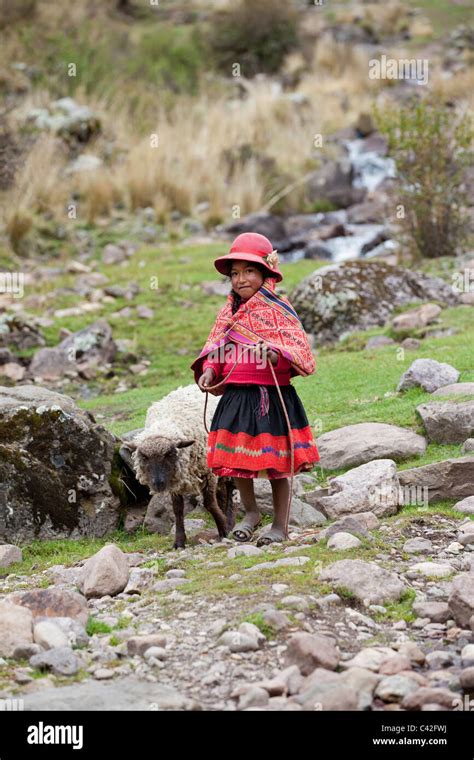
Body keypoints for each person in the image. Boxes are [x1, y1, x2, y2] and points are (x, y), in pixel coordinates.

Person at [190, 232, 320, 546]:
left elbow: (295, 350)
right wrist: (209, 370)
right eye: (234, 273)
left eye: (249, 271)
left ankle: (280, 524)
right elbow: (216, 347)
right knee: (237, 460)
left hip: (270, 397)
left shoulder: (279, 309)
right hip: (236, 396)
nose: (240, 279)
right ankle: (250, 513)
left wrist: (274, 354)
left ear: (265, 273)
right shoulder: (229, 312)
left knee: (276, 463)